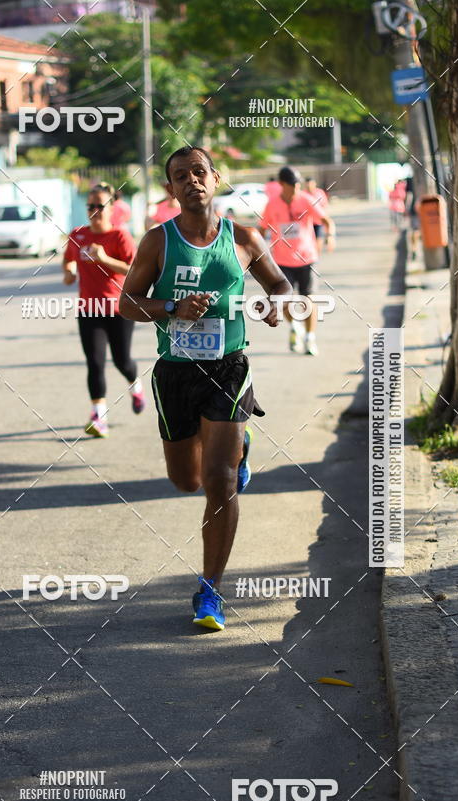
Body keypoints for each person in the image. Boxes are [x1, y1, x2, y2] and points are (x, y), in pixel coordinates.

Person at [119, 146, 291, 631]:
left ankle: (211, 590)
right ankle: (240, 449)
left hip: (229, 368)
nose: (192, 180)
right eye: (180, 176)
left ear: (216, 179)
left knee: (219, 480)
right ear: (170, 189)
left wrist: (277, 306)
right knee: (186, 481)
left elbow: (280, 285)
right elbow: (127, 303)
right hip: (175, 373)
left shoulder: (244, 238)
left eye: (200, 172)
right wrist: (172, 307)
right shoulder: (158, 242)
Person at [63, 183, 145, 438]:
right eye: (90, 206)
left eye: (100, 205)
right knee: (95, 363)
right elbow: (68, 261)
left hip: (119, 309)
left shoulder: (120, 236)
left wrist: (104, 259)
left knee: (122, 361)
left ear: (112, 208)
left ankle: (136, 385)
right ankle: (99, 418)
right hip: (89, 309)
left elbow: (135, 271)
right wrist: (69, 271)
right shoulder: (77, 235)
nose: (95, 211)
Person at [260, 166, 336, 356]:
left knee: (308, 300)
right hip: (281, 260)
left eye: (297, 184)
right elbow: (262, 228)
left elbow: (326, 220)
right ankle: (295, 327)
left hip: (306, 258)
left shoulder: (306, 200)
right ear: (281, 185)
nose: (296, 188)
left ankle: (310, 338)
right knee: (283, 301)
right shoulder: (272, 204)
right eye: (292, 185)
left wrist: (331, 236)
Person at [304, 177, 328, 253]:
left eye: (310, 184)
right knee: (309, 241)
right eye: (307, 184)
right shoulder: (303, 194)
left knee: (319, 239)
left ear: (314, 184)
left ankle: (317, 255)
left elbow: (324, 205)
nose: (309, 186)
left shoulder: (320, 193)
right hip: (308, 222)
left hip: (318, 221)